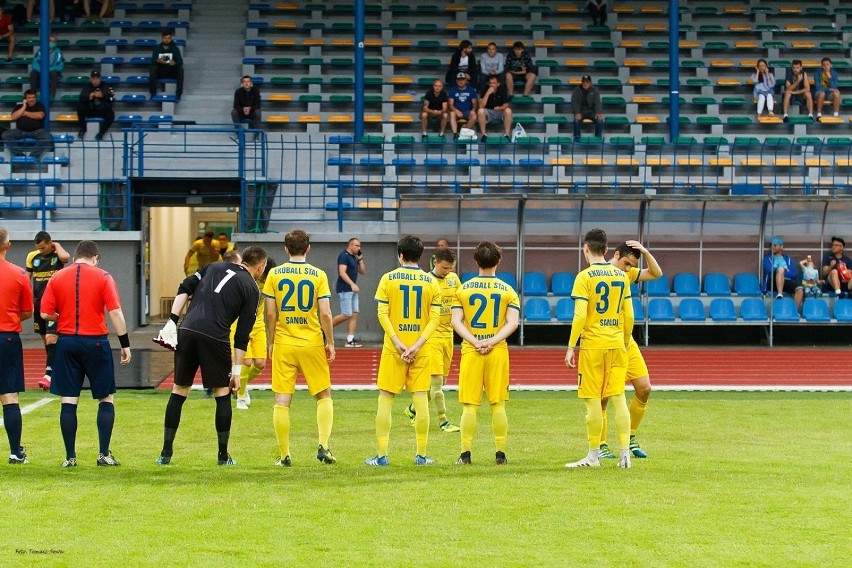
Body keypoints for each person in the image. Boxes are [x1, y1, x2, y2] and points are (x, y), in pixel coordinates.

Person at [156, 246, 268, 466]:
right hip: (215, 336)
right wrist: (236, 372)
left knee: (179, 390)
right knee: (222, 392)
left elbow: (185, 286)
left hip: (187, 330)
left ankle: (165, 454)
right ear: (260, 267)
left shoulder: (214, 266)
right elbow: (242, 336)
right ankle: (223, 456)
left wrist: (171, 320)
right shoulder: (252, 288)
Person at [40, 240, 132, 468]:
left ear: (74, 257)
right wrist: (125, 344)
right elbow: (116, 312)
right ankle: (103, 454)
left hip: (67, 342)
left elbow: (44, 313)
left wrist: (62, 318)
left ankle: (70, 457)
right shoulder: (103, 276)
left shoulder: (58, 276)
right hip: (96, 343)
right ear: (95, 258)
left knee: (69, 400)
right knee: (105, 397)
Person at [365, 235, 441, 467]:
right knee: (420, 400)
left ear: (400, 255)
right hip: (421, 349)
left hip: (393, 349)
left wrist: (398, 343)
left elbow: (382, 314)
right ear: (421, 256)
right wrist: (416, 345)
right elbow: (435, 319)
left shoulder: (388, 279)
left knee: (385, 399)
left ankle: (381, 455)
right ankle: (420, 455)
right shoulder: (431, 282)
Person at [263, 230, 336, 466]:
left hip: (285, 342)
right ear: (308, 248)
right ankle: (324, 446)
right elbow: (325, 312)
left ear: (286, 249)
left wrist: (271, 340)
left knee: (282, 399)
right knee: (323, 395)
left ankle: (284, 455)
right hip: (312, 341)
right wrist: (330, 341)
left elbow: (270, 313)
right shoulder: (318, 275)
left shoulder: (274, 274)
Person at [564, 229, 634, 469]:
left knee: (593, 401)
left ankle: (593, 456)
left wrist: (571, 346)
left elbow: (580, 314)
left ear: (585, 249)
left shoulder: (584, 277)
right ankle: (625, 455)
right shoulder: (621, 276)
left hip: (593, 346)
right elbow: (630, 315)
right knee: (619, 398)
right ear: (606, 251)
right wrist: (625, 340)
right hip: (617, 344)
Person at [451, 242, 520, 465]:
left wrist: (474, 340)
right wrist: (492, 340)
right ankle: (500, 454)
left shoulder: (463, 289)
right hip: (497, 350)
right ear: (498, 261)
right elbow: (512, 323)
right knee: (498, 404)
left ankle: (465, 454)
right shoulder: (508, 290)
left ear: (476, 261)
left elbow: (456, 321)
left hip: (471, 350)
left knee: (470, 405)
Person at [597, 240, 662, 460]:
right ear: (615, 255)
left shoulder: (627, 274)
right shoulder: (596, 274)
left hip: (627, 343)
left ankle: (631, 437)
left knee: (644, 388)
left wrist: (645, 252)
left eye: (630, 265)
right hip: (606, 342)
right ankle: (601, 443)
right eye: (626, 263)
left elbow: (656, 273)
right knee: (603, 397)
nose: (628, 269)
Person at [404, 246, 461, 433]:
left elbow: (461, 302)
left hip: (449, 335)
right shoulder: (426, 281)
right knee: (437, 385)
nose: (448, 272)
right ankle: (443, 421)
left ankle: (412, 410)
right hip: (432, 336)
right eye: (445, 268)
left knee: (440, 383)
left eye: (450, 268)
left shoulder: (454, 279)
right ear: (435, 262)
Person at [0, 228, 33, 464]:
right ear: (7, 245)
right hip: (7, 337)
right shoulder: (20, 274)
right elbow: (27, 311)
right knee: (10, 395)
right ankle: (15, 452)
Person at [26, 231, 69, 392]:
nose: (41, 251)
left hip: (53, 302)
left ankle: (48, 375)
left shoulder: (57, 254)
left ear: (50, 243)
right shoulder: (33, 257)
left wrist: (56, 245)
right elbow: (27, 278)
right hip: (38, 302)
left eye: (43, 248)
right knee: (46, 340)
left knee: (52, 338)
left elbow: (65, 258)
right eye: (38, 248)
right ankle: (53, 370)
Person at [232, 256, 273, 410]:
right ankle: (240, 398)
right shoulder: (244, 281)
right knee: (246, 362)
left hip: (258, 325)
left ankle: (240, 384)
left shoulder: (267, 284)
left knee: (260, 363)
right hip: (240, 324)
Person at [332, 237, 365, 348]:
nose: (358, 248)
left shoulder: (354, 258)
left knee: (354, 314)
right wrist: (352, 284)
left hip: (353, 290)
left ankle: (350, 340)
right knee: (347, 314)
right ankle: (324, 329)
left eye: (359, 246)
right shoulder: (344, 256)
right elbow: (342, 272)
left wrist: (360, 259)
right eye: (356, 245)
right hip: (345, 289)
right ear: (350, 245)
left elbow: (362, 271)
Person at [2, 89, 54, 158]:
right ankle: (19, 156)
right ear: (25, 99)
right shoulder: (19, 107)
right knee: (6, 135)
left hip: (36, 131)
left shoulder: (40, 106)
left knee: (47, 136)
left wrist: (25, 113)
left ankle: (33, 156)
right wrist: (24, 107)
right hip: (20, 131)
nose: (31, 99)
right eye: (29, 98)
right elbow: (14, 117)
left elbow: (40, 116)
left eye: (33, 97)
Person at [762, 236, 803, 309]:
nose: (772, 247)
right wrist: (783, 270)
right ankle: (780, 293)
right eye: (771, 246)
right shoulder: (767, 258)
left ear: (781, 247)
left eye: (775, 245)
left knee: (800, 289)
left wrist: (784, 271)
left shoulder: (788, 259)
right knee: (780, 269)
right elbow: (769, 270)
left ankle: (794, 311)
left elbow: (793, 274)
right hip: (772, 282)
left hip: (786, 281)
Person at [76, 70, 114, 140]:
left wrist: (102, 96)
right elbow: (81, 99)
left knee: (111, 114)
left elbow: (112, 99)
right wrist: (89, 97)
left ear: (100, 79)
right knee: (80, 108)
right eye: (94, 78)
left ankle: (101, 133)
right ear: (91, 79)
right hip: (90, 110)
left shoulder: (105, 86)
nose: (95, 80)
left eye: (97, 78)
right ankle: (83, 129)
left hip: (102, 110)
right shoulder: (86, 87)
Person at [149, 29, 183, 100]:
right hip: (160, 71)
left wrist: (174, 62)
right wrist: (158, 60)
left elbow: (180, 62)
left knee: (181, 70)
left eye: (168, 38)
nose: (166, 40)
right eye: (165, 38)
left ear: (171, 39)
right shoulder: (157, 48)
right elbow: (152, 61)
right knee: (152, 68)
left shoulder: (175, 49)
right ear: (162, 38)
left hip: (171, 71)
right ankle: (153, 93)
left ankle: (178, 94)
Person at [477, 74, 513, 142]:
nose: (491, 85)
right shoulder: (485, 89)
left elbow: (506, 104)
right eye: (490, 83)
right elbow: (481, 105)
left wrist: (500, 108)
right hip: (489, 112)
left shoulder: (502, 89)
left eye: (494, 83)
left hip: (500, 111)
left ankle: (507, 135)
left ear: (498, 84)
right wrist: (488, 93)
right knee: (480, 111)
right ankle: (483, 135)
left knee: (508, 110)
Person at [29, 33, 63, 102]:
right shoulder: (40, 51)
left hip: (51, 70)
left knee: (54, 74)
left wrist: (48, 69)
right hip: (41, 70)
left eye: (54, 41)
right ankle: (33, 95)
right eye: (50, 41)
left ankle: (51, 95)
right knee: (33, 73)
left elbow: (60, 66)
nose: (52, 43)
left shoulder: (58, 52)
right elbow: (35, 63)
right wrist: (42, 70)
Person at [571, 75, 603, 141]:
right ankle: (577, 138)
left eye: (587, 82)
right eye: (584, 82)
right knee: (576, 121)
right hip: (581, 111)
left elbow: (597, 102)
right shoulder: (577, 90)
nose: (585, 84)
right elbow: (574, 102)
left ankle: (598, 138)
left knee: (599, 120)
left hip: (591, 111)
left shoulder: (595, 90)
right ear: (581, 83)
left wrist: (598, 112)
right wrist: (577, 112)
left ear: (590, 83)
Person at [448, 72, 478, 140]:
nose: (461, 81)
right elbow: (450, 104)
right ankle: (455, 134)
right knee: (452, 113)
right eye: (459, 80)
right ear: (456, 81)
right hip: (457, 111)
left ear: (466, 80)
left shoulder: (471, 90)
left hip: (467, 111)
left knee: (474, 115)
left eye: (462, 79)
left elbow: (475, 104)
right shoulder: (453, 90)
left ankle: (464, 131)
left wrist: (473, 111)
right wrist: (456, 111)